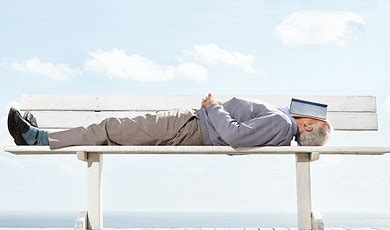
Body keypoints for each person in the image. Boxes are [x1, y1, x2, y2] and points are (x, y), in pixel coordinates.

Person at [7, 93, 331, 149]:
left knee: (110, 128)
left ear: (305, 127)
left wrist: (214, 106)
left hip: (190, 126)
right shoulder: (282, 125)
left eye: (310, 115)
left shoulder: (280, 124)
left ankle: (37, 139)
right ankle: (47, 136)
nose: (302, 111)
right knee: (113, 128)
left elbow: (235, 136)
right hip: (192, 125)